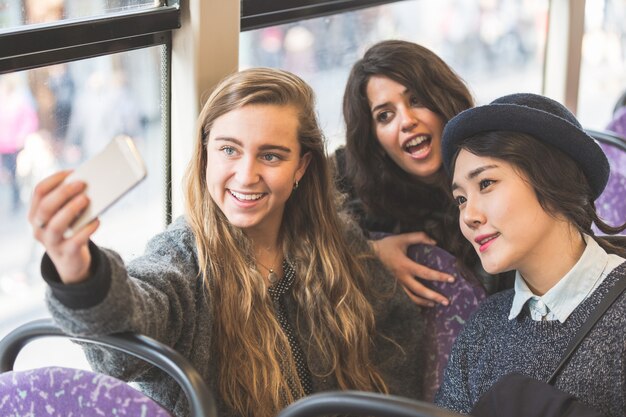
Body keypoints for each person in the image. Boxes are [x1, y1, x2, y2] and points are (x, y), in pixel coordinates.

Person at [29, 68, 424, 417]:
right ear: (205, 155)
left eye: (270, 156)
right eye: (229, 150)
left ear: (301, 167)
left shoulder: (338, 241)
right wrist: (80, 271)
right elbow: (120, 347)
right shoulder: (182, 260)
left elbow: (397, 355)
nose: (246, 174)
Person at [435, 93, 626, 417]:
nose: (468, 215)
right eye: (460, 199)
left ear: (552, 178)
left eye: (486, 183)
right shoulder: (483, 329)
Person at [336, 39, 505, 307]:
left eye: (415, 100)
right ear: (374, 139)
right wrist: (369, 252)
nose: (406, 121)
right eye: (385, 116)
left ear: (442, 100)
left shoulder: (497, 172)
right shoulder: (349, 183)